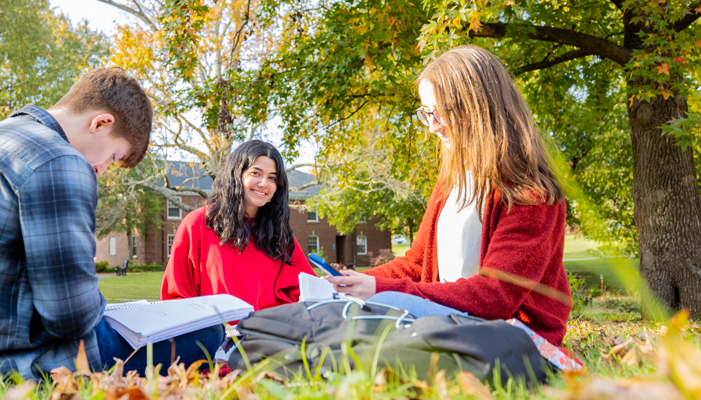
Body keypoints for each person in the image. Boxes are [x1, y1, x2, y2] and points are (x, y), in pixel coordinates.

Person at [0, 67, 223, 380]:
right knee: (209, 331)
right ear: (101, 123)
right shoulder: (60, 160)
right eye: (111, 157)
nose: (102, 170)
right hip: (3, 362)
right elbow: (70, 318)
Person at [327, 45, 573, 347]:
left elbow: (495, 297)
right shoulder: (450, 182)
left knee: (380, 307)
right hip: (446, 318)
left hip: (513, 337)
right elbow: (416, 264)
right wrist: (355, 281)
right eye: (426, 113)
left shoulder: (528, 192)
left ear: (478, 106)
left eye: (440, 113)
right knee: (346, 311)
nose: (432, 127)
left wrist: (378, 289)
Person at [161, 140, 316, 310]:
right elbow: (176, 296)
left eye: (272, 178)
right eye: (256, 173)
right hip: (218, 333)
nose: (264, 183)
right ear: (236, 175)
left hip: (270, 332)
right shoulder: (197, 224)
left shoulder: (279, 231)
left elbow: (303, 290)